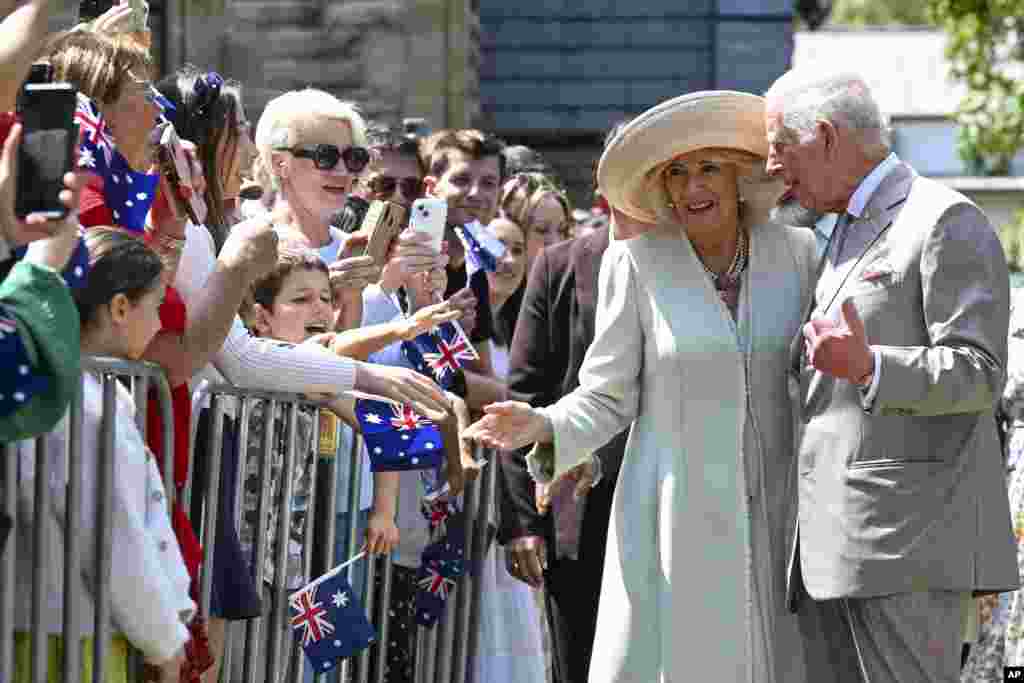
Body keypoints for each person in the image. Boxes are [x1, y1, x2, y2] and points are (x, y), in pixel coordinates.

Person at [465, 90, 818, 683]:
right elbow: (606, 394)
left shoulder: (800, 253)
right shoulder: (635, 262)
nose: (692, 185)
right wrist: (545, 426)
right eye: (677, 172)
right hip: (674, 511)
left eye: (708, 167)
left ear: (740, 177)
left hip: (781, 506)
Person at [764, 69, 1018, 682]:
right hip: (837, 546)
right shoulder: (839, 230)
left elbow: (979, 371)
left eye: (780, 147)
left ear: (824, 136)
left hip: (908, 548)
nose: (773, 167)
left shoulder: (943, 220)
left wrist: (872, 366)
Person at [494, 119, 638, 683]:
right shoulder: (561, 266)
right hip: (578, 509)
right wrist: (523, 522)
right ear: (603, 186)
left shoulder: (705, 263)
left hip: (676, 499)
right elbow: (526, 394)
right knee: (580, 663)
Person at [15, 229, 192, 682]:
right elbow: (114, 535)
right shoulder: (86, 405)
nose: (158, 325)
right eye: (154, 308)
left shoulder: (68, 390)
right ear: (118, 308)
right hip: (73, 641)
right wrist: (163, 640)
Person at [472, 214, 547, 683]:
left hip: (516, 502)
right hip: (484, 507)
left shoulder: (520, 327)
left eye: (520, 248)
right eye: (498, 247)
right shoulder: (464, 322)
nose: (510, 260)